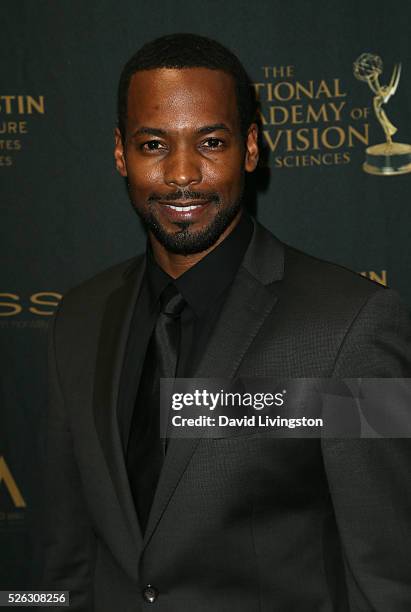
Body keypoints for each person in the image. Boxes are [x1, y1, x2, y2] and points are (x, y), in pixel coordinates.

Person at [43, 33, 411, 611]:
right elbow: (64, 562)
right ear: (120, 153)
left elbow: (388, 576)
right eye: (153, 144)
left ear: (251, 149)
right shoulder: (79, 320)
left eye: (210, 142)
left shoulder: (350, 327)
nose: (182, 173)